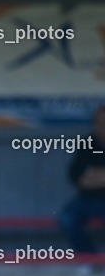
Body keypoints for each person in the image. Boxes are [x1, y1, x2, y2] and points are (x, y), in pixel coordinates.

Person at [59, 105, 105, 257]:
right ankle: (89, 258)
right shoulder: (87, 143)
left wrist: (94, 175)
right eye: (100, 123)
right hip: (88, 199)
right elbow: (79, 178)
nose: (103, 127)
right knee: (67, 218)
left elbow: (88, 177)